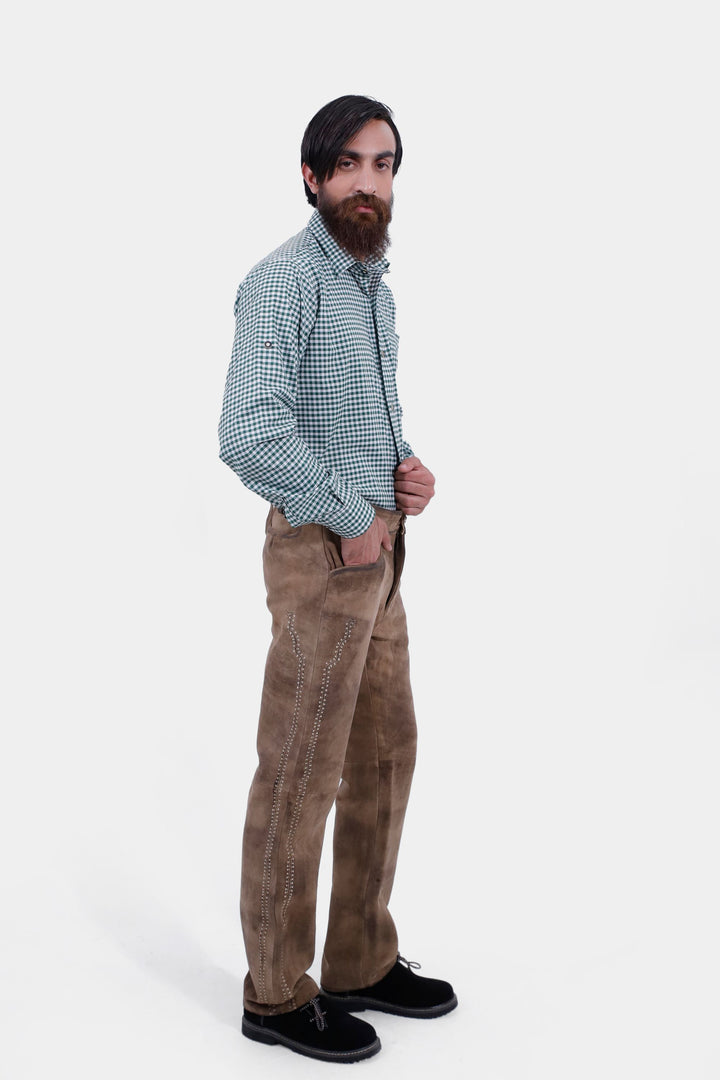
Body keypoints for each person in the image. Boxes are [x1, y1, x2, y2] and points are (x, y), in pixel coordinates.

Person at [218, 94, 457, 1063]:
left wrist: (405, 469)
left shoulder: (370, 285)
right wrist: (355, 515)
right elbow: (250, 432)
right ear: (313, 177)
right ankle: (276, 995)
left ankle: (359, 957)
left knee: (386, 757)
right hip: (325, 557)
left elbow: (346, 417)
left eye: (385, 163)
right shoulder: (282, 283)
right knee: (302, 774)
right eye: (350, 164)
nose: (371, 181)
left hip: (379, 554)